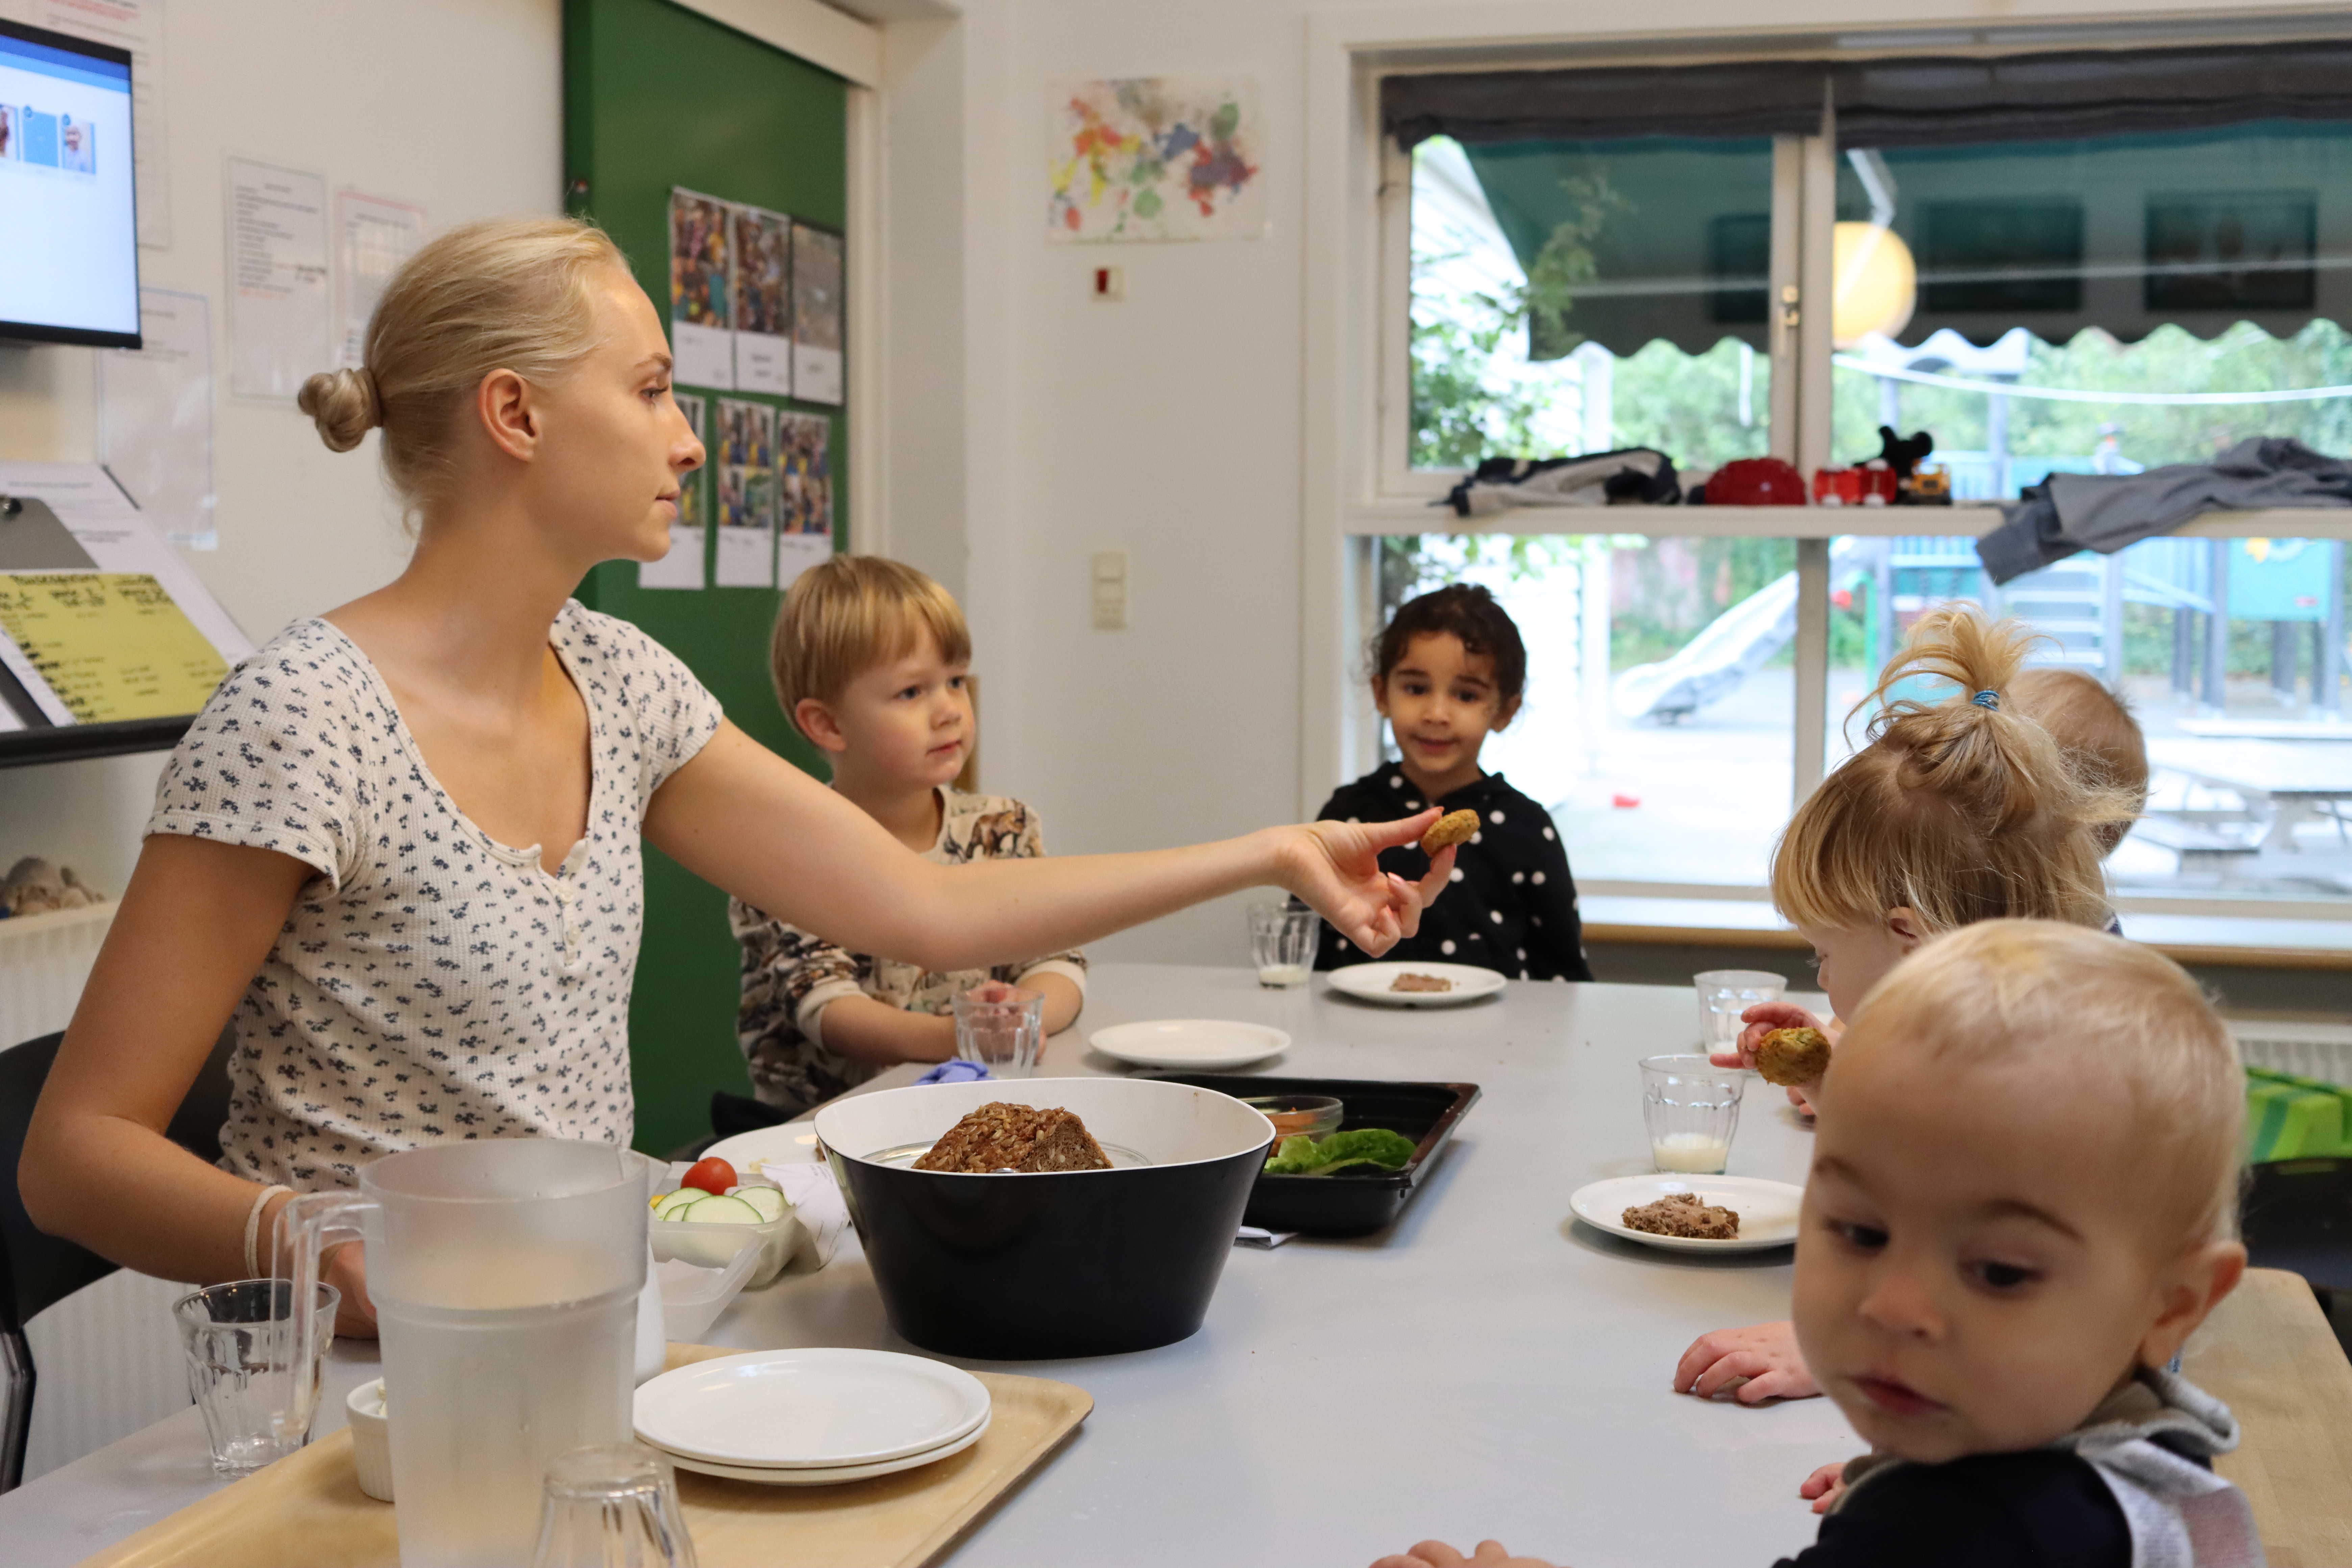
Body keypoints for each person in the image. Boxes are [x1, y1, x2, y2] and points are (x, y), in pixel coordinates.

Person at [17, 218, 1453, 1337]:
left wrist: (1271, 850)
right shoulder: (301, 718)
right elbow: (76, 1157)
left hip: (587, 1335)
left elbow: (923, 904)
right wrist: (343, 1257)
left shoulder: (624, 682)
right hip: (352, 1388)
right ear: (516, 414)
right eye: (648, 390)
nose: (689, 436)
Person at [1375, 921, 2257, 1568]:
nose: (1892, 1304)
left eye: (1997, 1271)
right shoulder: (2133, 1452)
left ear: (2172, 1303)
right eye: (1861, 1232)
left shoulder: (1968, 1534)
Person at [1672, 607, 2136, 1406]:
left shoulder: (2052, 1101)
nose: (1822, 978)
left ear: (1910, 941)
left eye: (1823, 954)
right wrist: (1832, 1079)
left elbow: (2059, 1328)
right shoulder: (1996, 1036)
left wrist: (1842, 1353)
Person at [731, 555, 1085, 1118]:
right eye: (910, 693)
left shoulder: (1003, 828)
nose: (949, 711)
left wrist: (1026, 1010)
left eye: (955, 681)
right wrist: (963, 1036)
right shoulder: (792, 851)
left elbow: (1060, 956)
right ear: (828, 724)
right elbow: (829, 1010)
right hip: (826, 1133)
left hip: (974, 1107)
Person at [1311, 584, 1592, 982]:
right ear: (1382, 693)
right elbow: (1302, 945)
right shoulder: (1348, 814)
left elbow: (1564, 975)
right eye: (1416, 688)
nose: (1437, 713)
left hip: (1497, 1039)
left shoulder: (1527, 827)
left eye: (1465, 694)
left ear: (1505, 711)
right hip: (1353, 1032)